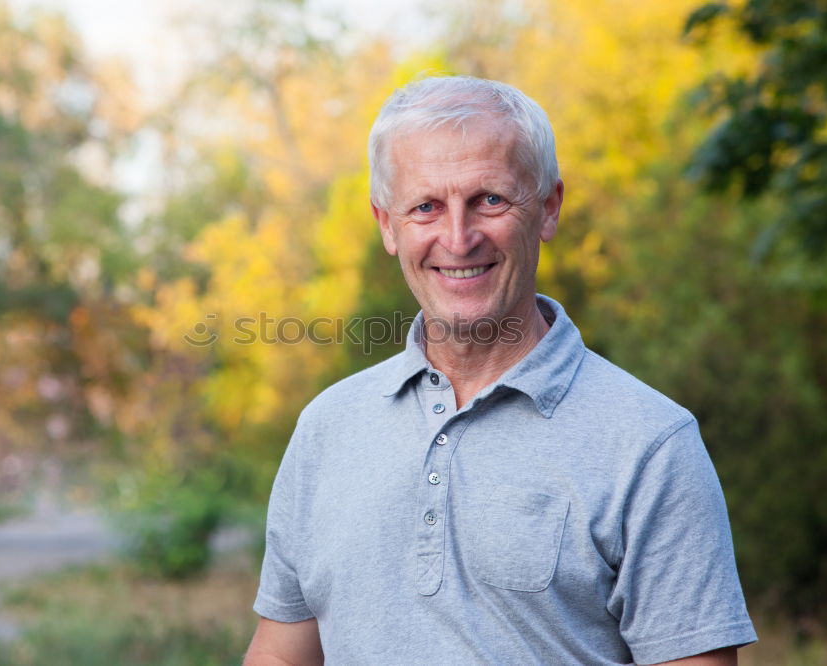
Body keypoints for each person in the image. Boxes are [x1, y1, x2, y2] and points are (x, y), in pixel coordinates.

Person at [244, 76, 757, 665]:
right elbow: (282, 654)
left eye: (490, 199)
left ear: (548, 207)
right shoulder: (327, 429)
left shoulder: (650, 443)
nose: (458, 239)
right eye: (426, 207)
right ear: (387, 224)